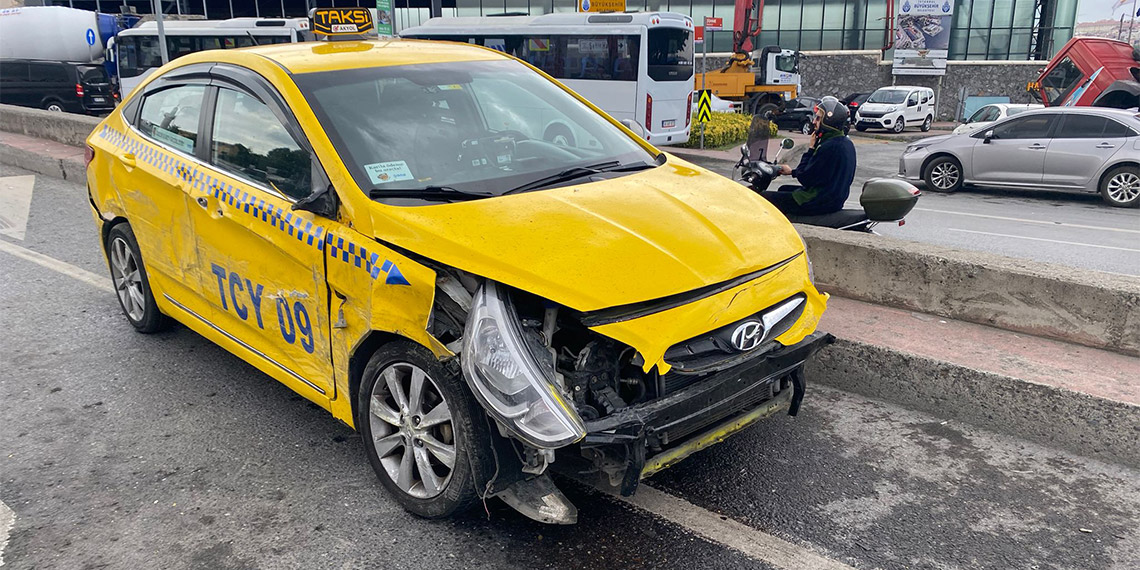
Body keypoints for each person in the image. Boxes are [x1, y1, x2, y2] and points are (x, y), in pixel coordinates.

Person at [759, 96, 857, 216]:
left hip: (818, 201)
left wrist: (811, 149)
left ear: (828, 121)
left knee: (762, 199)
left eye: (818, 118)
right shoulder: (844, 142)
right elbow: (817, 174)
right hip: (832, 198)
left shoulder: (829, 147)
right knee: (783, 188)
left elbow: (805, 178)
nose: (814, 122)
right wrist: (792, 172)